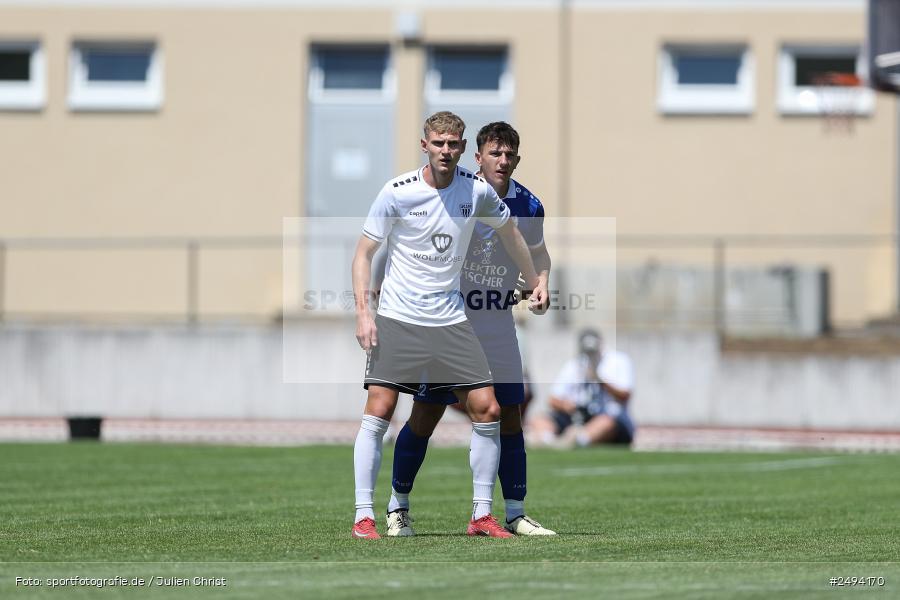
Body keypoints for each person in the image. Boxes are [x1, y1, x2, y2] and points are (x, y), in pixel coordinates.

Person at [350, 111, 548, 540]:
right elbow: (366, 252)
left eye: (452, 144)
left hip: (462, 321)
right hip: (404, 318)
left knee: (495, 410)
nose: (445, 151)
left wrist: (536, 281)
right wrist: (365, 312)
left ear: (462, 149)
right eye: (439, 143)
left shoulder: (483, 194)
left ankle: (490, 515)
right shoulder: (397, 191)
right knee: (392, 411)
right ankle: (374, 513)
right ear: (426, 145)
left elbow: (517, 236)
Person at [529, 328, 636, 448]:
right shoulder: (574, 364)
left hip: (608, 417)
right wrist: (566, 405)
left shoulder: (618, 361)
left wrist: (600, 380)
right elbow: (553, 399)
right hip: (576, 416)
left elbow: (625, 394)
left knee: (605, 422)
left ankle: (578, 440)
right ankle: (549, 440)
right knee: (539, 420)